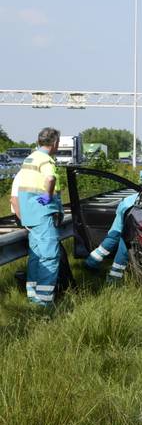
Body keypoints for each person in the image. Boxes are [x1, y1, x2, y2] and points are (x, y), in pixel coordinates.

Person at [9, 128, 62, 305]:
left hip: (29, 215)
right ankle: (44, 302)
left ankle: (33, 296)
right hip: (43, 215)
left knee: (36, 256)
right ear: (54, 143)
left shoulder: (29, 158)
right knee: (50, 257)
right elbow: (50, 178)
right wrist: (48, 196)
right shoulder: (46, 160)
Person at [85, 188, 140, 282]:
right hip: (132, 208)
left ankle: (91, 261)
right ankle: (114, 278)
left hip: (126, 204)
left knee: (114, 235)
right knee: (125, 244)